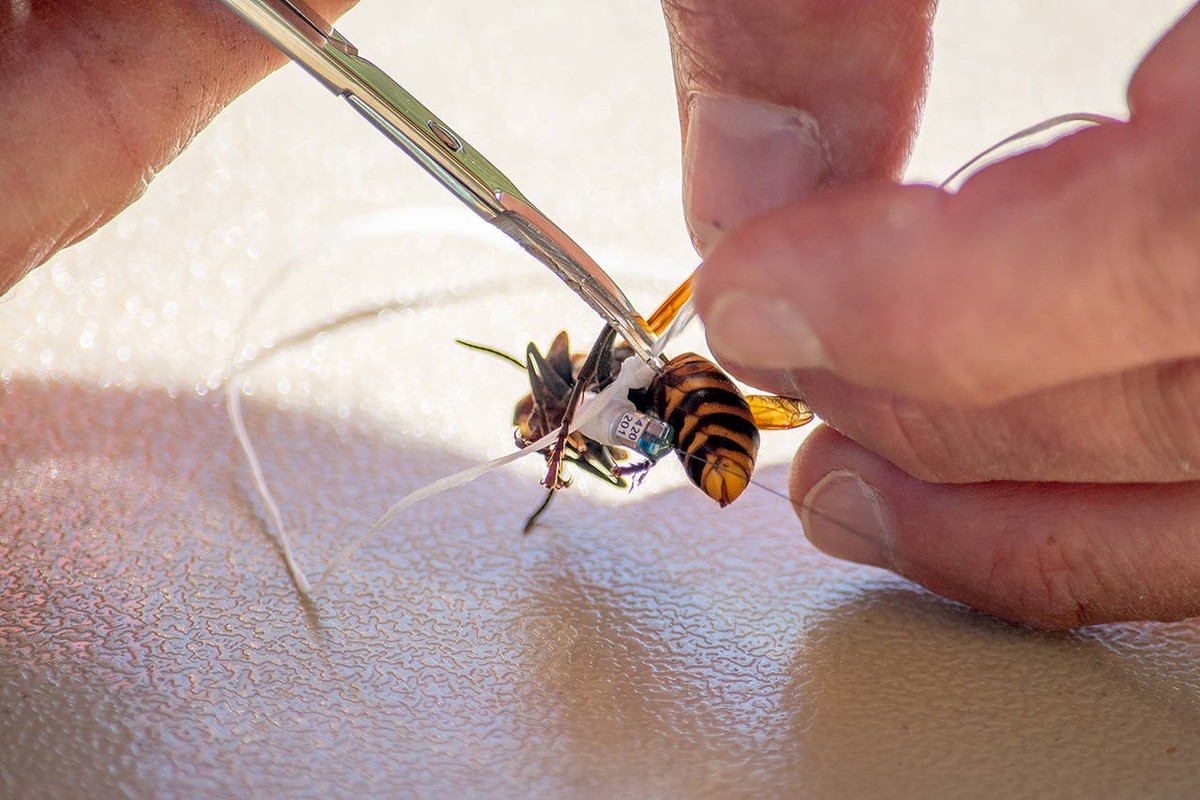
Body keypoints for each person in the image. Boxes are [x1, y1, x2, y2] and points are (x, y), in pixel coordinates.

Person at [4, 1, 1198, 628]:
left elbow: (613, 428)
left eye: (546, 414)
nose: (544, 403)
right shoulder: (620, 407)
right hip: (699, 423)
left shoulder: (616, 398)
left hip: (699, 424)